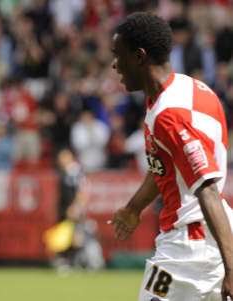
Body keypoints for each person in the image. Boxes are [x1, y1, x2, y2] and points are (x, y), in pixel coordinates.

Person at [111, 12, 233, 301]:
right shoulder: (192, 89)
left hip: (188, 251)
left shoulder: (170, 115)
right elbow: (167, 167)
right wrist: (133, 208)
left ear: (139, 57)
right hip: (207, 239)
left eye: (119, 55)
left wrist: (232, 267)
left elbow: (207, 188)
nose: (115, 65)